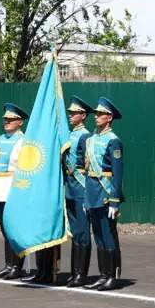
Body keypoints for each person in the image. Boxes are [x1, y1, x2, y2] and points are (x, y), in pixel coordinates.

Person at [83, 97, 124, 292]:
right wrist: (86, 198)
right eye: (96, 114)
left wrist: (115, 201)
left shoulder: (113, 141)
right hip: (92, 192)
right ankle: (102, 275)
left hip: (106, 193)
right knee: (98, 235)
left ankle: (112, 276)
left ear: (109, 117)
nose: (96, 117)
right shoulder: (91, 139)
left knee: (108, 235)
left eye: (100, 114)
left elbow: (117, 173)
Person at [0, 103, 28, 280]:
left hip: (13, 189)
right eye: (5, 119)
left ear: (20, 122)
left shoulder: (24, 141)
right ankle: (8, 265)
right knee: (5, 229)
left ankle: (17, 266)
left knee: (14, 228)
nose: (7, 122)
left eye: (11, 119)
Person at [63, 96, 94, 287]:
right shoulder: (69, 134)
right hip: (70, 189)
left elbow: (88, 166)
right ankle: (74, 272)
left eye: (74, 113)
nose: (70, 116)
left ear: (83, 115)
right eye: (70, 113)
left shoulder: (85, 136)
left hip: (81, 188)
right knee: (75, 232)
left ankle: (81, 274)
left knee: (82, 232)